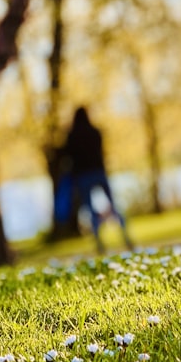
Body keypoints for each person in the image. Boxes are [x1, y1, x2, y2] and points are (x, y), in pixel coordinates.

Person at [61, 107, 133, 253]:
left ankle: (99, 242)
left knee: (91, 210)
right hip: (99, 172)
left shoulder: (72, 136)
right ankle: (125, 236)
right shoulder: (95, 132)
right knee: (113, 205)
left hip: (83, 176)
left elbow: (67, 156)